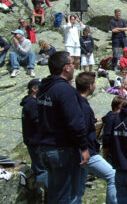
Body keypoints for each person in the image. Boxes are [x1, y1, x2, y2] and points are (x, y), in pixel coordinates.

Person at [35, 51, 89, 203]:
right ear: (66, 68)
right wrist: (84, 147)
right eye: (72, 64)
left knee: (54, 193)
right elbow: (75, 122)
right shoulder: (65, 90)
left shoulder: (44, 88)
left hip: (45, 147)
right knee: (69, 195)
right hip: (62, 149)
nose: (74, 67)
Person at [75, 72, 117, 204]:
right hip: (86, 151)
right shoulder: (82, 105)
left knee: (78, 184)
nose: (95, 86)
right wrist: (84, 148)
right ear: (90, 86)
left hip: (79, 150)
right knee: (112, 175)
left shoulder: (75, 102)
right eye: (94, 83)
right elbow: (79, 128)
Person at [21, 79, 47, 188]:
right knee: (43, 169)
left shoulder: (30, 102)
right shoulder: (31, 103)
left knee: (37, 166)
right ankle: (46, 194)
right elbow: (36, 121)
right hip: (35, 141)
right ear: (34, 89)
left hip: (33, 140)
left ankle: (35, 191)